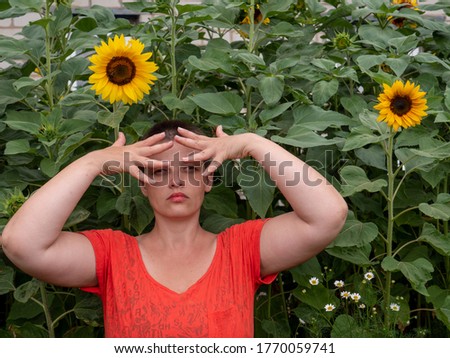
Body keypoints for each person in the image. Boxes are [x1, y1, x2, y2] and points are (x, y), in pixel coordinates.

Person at [1, 120, 348, 337]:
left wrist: (252, 143)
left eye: (191, 167)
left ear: (209, 178)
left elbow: (327, 216)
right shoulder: (112, 255)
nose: (176, 180)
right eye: (159, 170)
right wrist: (92, 163)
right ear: (142, 183)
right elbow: (21, 243)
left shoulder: (241, 249)